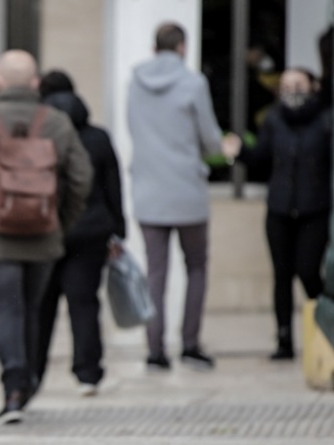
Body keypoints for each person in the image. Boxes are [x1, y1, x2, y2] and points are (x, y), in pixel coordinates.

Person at [0, 50, 91, 424]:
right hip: (44, 234)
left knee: (9, 308)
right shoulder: (56, 122)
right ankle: (29, 382)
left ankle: (13, 388)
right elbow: (81, 178)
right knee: (33, 309)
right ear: (36, 83)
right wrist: (59, 219)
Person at [127, 22, 223, 372]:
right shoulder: (193, 82)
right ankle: (191, 343)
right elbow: (211, 138)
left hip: (149, 189)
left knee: (156, 273)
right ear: (182, 46)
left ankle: (154, 350)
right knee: (196, 266)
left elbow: (133, 129)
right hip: (186, 189)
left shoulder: (135, 82)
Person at [223, 68, 331, 360]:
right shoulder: (274, 119)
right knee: (281, 275)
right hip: (280, 209)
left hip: (314, 209)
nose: (291, 90)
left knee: (308, 271)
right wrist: (240, 151)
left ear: (312, 85)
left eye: (297, 84)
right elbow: (261, 159)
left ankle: (324, 328)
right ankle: (284, 339)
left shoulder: (325, 120)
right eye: (286, 85)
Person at [34, 70, 126, 396]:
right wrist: (118, 230)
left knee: (40, 307)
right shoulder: (98, 137)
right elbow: (113, 186)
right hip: (90, 233)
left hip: (44, 232)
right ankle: (89, 373)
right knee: (84, 304)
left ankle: (32, 374)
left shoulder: (37, 136)